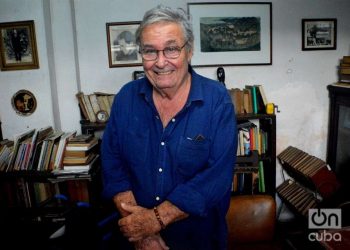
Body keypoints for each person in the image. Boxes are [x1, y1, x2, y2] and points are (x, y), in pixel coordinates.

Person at [101, 5, 237, 250]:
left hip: (198, 240)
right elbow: (113, 165)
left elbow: (217, 177)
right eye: (150, 51)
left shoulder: (217, 100)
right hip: (135, 240)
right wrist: (141, 232)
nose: (161, 62)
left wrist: (154, 220)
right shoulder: (125, 98)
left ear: (189, 50)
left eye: (172, 49)